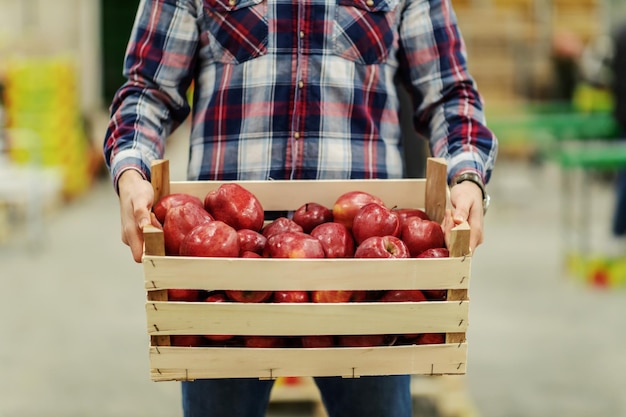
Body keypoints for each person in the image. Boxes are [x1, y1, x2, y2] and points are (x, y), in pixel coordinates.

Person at [103, 0, 498, 416]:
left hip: (364, 274)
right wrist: (132, 170)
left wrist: (467, 176)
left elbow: (449, 93)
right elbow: (148, 88)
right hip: (224, 269)